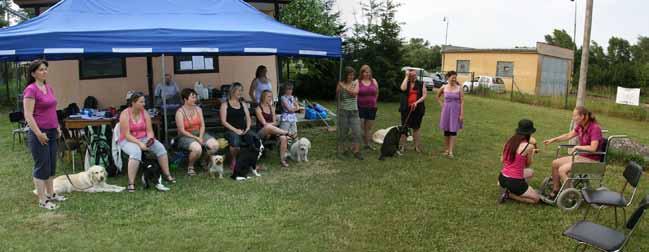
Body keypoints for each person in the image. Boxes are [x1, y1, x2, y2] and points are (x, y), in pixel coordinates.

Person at [23, 59, 64, 210]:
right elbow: (28, 115)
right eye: (41, 70)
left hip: (52, 131)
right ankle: (42, 200)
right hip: (39, 133)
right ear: (33, 73)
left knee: (52, 165)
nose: (44, 72)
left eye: (45, 69)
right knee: (42, 166)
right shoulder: (31, 90)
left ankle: (51, 194)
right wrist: (39, 133)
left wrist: (58, 126)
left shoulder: (48, 87)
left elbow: (52, 110)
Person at [119, 92, 175, 192]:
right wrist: (140, 144)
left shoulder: (144, 113)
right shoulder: (125, 114)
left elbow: (149, 130)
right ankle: (131, 183)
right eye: (141, 102)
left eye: (144, 101)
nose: (144, 104)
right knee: (136, 152)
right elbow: (127, 134)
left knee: (160, 148)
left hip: (144, 138)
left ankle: (167, 174)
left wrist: (150, 140)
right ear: (133, 102)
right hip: (128, 140)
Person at [543, 106, 604, 199]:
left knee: (562, 170)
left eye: (575, 116)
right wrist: (553, 140)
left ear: (582, 116)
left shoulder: (595, 128)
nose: (573, 118)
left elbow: (593, 148)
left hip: (592, 160)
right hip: (582, 157)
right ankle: (556, 190)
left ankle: (572, 195)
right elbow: (568, 135)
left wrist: (578, 147)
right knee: (555, 163)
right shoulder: (581, 126)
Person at [175, 88, 221, 176]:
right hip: (185, 136)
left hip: (199, 133)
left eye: (195, 97)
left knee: (215, 145)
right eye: (192, 97)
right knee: (197, 148)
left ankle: (203, 160)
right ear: (185, 99)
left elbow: (202, 125)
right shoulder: (180, 112)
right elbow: (182, 130)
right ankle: (190, 166)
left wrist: (200, 136)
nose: (195, 99)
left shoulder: (198, 109)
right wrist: (196, 138)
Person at [498, 119, 540, 204]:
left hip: (502, 178)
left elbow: (502, 159)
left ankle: (507, 189)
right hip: (514, 181)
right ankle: (510, 195)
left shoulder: (509, 141)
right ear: (530, 133)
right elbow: (528, 164)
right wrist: (531, 154)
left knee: (530, 172)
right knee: (536, 199)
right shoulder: (529, 147)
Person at [220, 83, 254, 171]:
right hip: (230, 130)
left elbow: (248, 118)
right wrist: (235, 130)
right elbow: (223, 122)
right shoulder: (225, 105)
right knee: (235, 142)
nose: (241, 92)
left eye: (241, 90)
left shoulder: (243, 104)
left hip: (243, 129)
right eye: (239, 90)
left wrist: (248, 128)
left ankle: (249, 162)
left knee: (254, 138)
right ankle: (234, 159)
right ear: (232, 91)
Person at [256, 90, 294, 167]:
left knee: (283, 138)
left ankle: (282, 160)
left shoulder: (272, 108)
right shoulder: (258, 108)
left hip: (273, 131)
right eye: (269, 96)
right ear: (263, 97)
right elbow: (264, 124)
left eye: (271, 96)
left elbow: (275, 122)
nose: (271, 98)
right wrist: (271, 125)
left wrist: (271, 126)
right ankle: (287, 132)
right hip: (262, 132)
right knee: (267, 127)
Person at [336, 67, 364, 160]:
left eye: (353, 75)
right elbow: (338, 98)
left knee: (357, 132)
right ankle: (344, 150)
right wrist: (339, 90)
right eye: (350, 75)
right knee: (343, 132)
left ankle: (356, 151)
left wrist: (344, 88)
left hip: (354, 111)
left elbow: (355, 93)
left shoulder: (356, 82)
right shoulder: (340, 84)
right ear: (346, 75)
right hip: (343, 111)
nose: (352, 76)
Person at [437, 71, 464, 158]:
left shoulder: (459, 88)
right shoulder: (444, 87)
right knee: (446, 130)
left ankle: (451, 151)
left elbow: (462, 101)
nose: (454, 79)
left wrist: (461, 114)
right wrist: (442, 105)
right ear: (448, 78)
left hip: (456, 110)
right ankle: (446, 149)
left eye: (455, 77)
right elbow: (437, 97)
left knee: (453, 130)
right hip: (446, 110)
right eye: (452, 77)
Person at [399, 69, 427, 153]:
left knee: (416, 128)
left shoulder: (421, 83)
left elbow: (424, 95)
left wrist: (416, 102)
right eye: (412, 76)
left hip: (418, 109)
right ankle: (402, 146)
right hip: (406, 109)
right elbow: (402, 89)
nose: (414, 77)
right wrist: (406, 76)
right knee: (404, 127)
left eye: (415, 75)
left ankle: (416, 147)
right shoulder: (406, 83)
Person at [357, 65, 379, 150]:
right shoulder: (358, 82)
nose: (367, 74)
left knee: (368, 128)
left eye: (369, 72)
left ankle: (367, 144)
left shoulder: (374, 81)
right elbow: (354, 94)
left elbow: (377, 92)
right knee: (360, 126)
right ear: (362, 73)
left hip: (371, 107)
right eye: (365, 72)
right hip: (360, 107)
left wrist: (375, 102)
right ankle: (357, 145)